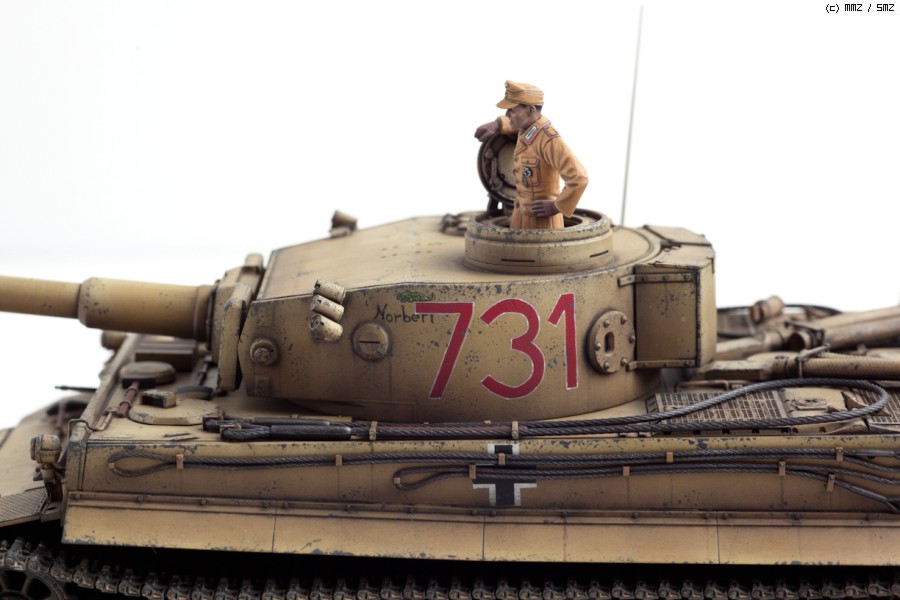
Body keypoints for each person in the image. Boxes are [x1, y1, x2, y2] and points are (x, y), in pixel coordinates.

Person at [474, 81, 588, 229]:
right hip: (519, 215)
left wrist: (557, 206)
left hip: (542, 223)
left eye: (512, 110)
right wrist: (498, 125)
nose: (507, 114)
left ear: (530, 110)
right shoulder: (526, 127)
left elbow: (579, 178)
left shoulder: (548, 140)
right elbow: (513, 125)